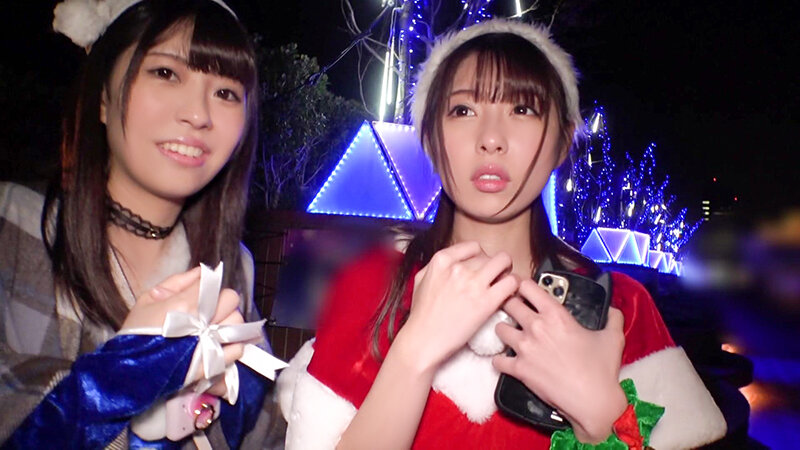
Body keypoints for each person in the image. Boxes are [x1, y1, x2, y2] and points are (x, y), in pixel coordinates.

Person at [277, 19, 727, 449]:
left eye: (522, 109)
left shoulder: (620, 308)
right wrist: (414, 353)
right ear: (430, 138)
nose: (491, 138)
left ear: (564, 140)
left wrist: (602, 417)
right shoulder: (371, 287)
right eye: (463, 110)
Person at [0, 0, 280, 448]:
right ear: (103, 98)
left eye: (226, 93)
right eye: (166, 73)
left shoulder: (234, 269)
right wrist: (114, 386)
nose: (198, 114)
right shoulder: (13, 229)